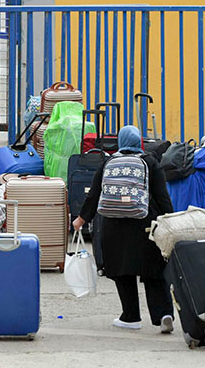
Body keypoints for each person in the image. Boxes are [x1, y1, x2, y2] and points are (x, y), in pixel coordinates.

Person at [72, 125, 176, 333]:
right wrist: (169, 219)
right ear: (139, 142)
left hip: (114, 225)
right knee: (154, 271)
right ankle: (163, 314)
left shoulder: (108, 162)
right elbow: (162, 196)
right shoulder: (150, 163)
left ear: (120, 142)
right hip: (146, 223)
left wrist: (81, 219)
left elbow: (93, 195)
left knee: (122, 271)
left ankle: (131, 317)